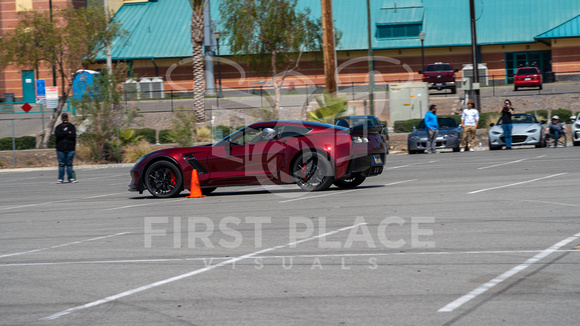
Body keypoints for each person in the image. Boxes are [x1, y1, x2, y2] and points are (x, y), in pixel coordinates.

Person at [55, 113, 77, 183]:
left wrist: (64, 133)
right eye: (64, 118)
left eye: (66, 118)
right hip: (60, 149)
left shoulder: (71, 126)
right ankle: (60, 178)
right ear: (61, 119)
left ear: (68, 118)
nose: (65, 119)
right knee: (61, 164)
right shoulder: (58, 127)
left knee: (69, 164)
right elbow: (58, 135)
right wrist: (67, 132)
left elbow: (73, 135)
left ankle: (70, 178)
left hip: (70, 148)